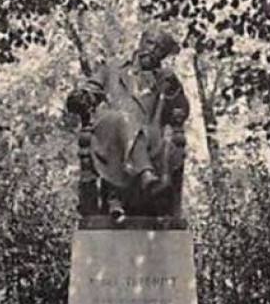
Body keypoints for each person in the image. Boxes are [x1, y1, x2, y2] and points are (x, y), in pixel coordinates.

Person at [66, 29, 190, 223]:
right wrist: (83, 97)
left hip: (149, 133)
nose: (153, 50)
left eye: (160, 49)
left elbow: (181, 109)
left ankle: (118, 196)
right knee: (124, 119)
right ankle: (145, 173)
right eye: (150, 43)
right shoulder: (113, 68)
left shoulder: (163, 79)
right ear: (140, 42)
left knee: (145, 133)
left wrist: (174, 90)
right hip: (110, 126)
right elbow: (90, 90)